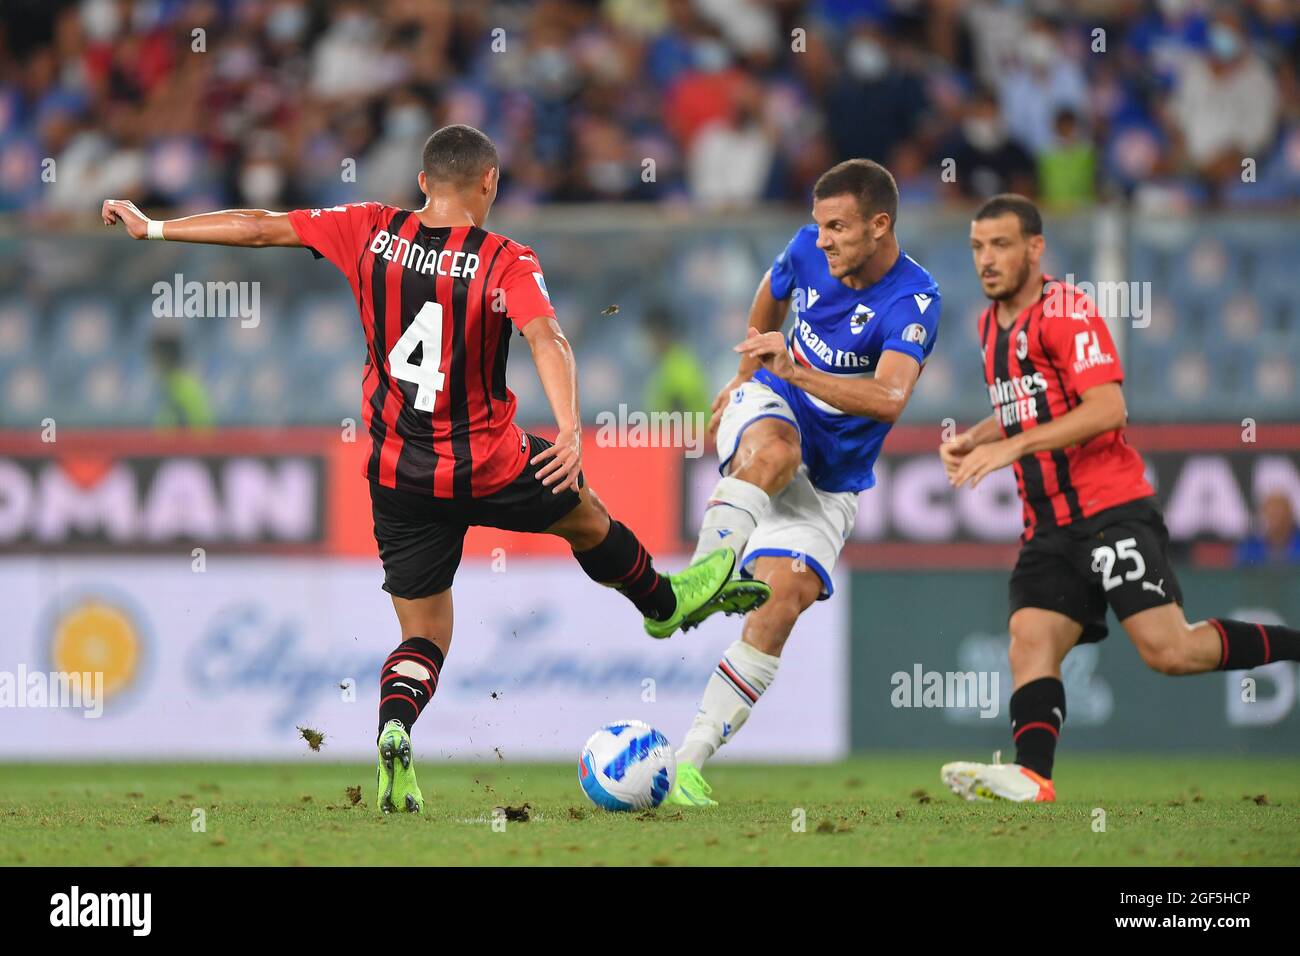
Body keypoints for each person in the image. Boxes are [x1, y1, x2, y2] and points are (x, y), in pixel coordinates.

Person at [102, 124, 763, 814]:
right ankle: (663, 604)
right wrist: (569, 427)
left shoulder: (366, 227)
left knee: (423, 637)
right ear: (490, 184)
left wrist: (155, 229)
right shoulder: (505, 259)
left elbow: (261, 228)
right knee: (585, 515)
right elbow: (547, 336)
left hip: (399, 476)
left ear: (422, 182)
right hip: (493, 465)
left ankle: (395, 725)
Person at [939, 194, 1300, 802]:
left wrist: (1015, 448)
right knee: (1030, 639)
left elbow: (1108, 408)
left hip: (1109, 512)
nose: (987, 259)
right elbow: (1027, 406)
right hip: (1048, 526)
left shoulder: (1067, 311)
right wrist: (976, 436)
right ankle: (1033, 778)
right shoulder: (987, 325)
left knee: (1170, 651)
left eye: (1001, 245)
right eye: (977, 247)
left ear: (1035, 248)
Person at [665, 159, 942, 806]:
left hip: (835, 480)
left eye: (837, 228)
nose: (821, 240)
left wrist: (795, 365)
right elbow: (773, 287)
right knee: (778, 451)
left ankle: (690, 759)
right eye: (819, 226)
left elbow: (889, 397)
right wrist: (747, 371)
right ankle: (702, 576)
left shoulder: (915, 299)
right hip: (773, 411)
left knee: (780, 604)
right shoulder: (806, 247)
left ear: (880, 226)